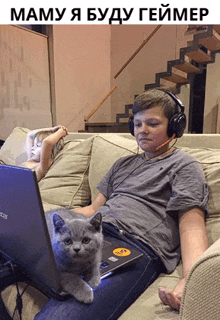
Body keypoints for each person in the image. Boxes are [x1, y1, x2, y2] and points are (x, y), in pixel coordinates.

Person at [33, 88, 209, 319]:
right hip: (92, 235)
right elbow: (93, 210)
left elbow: (191, 227)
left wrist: (191, 280)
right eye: (137, 124)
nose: (142, 131)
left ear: (175, 126)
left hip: (134, 246)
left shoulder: (184, 166)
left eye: (152, 124)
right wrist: (40, 223)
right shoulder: (122, 164)